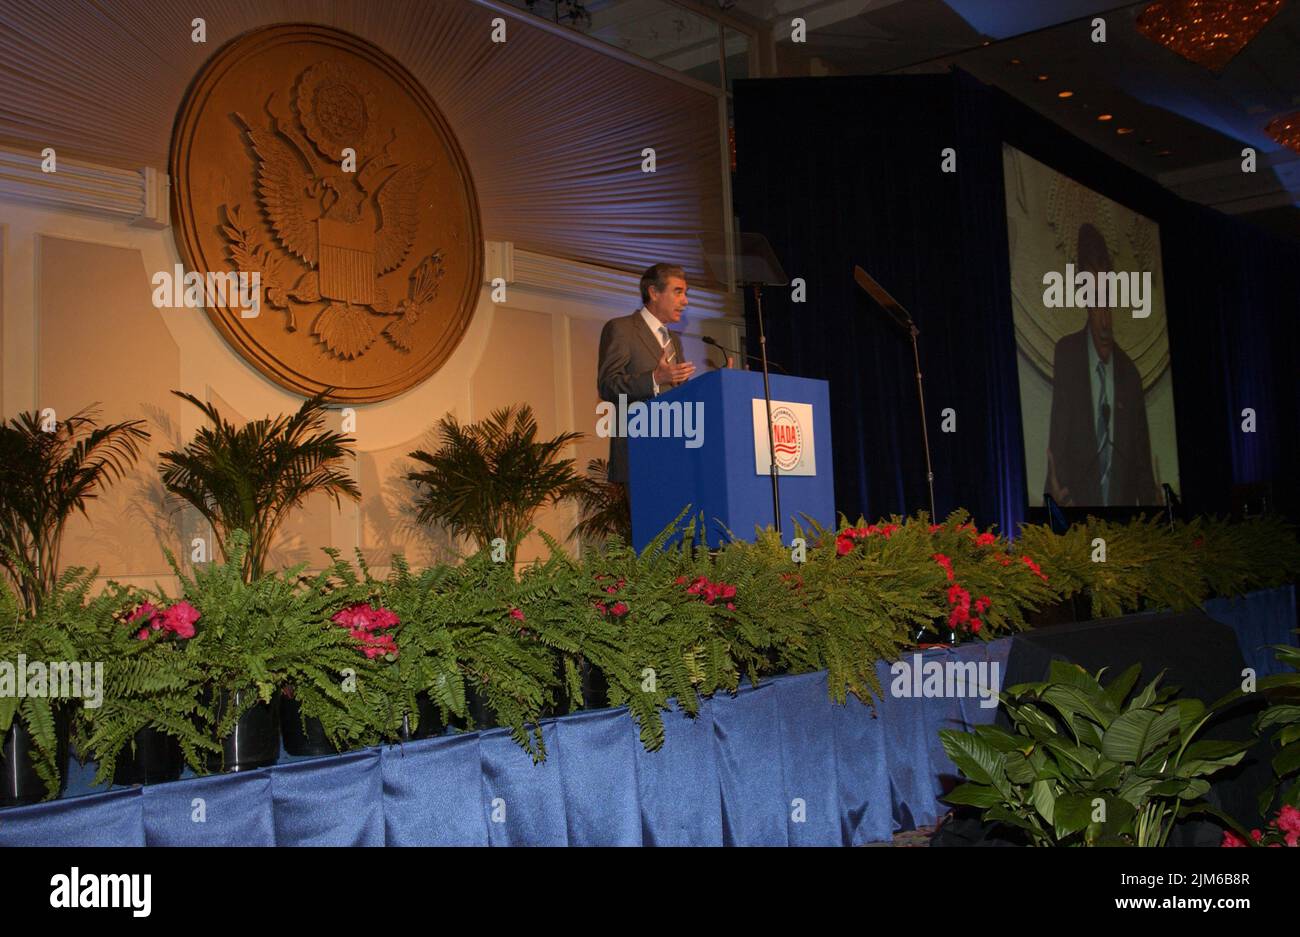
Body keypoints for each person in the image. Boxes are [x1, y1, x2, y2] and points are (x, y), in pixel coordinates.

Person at [1045, 223, 1159, 507]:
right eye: (1097, 303)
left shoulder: (1130, 375)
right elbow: (1056, 454)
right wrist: (1053, 505)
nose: (1106, 322)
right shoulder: (1067, 356)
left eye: (1108, 301)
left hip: (1125, 532)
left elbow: (1143, 472)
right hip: (1077, 528)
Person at [596, 263, 695, 485]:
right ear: (654, 292)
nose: (685, 301)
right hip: (640, 451)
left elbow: (678, 392)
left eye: (685, 294)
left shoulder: (674, 340)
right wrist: (654, 379)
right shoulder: (621, 329)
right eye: (678, 292)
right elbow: (607, 385)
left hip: (675, 451)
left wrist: (720, 382)